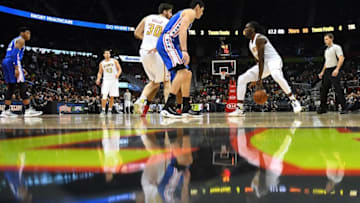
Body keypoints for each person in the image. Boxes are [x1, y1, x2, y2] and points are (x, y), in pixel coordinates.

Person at [229, 22, 302, 117]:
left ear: (253, 29)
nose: (245, 30)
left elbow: (262, 59)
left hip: (274, 60)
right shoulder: (250, 44)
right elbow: (258, 61)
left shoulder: (260, 39)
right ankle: (239, 108)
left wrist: (259, 79)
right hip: (263, 65)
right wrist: (255, 78)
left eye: (247, 28)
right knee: (242, 78)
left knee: (276, 75)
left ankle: (294, 101)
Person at [157, 0, 205, 118]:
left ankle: (186, 107)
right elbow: (182, 30)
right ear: (198, 7)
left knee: (187, 74)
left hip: (171, 43)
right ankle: (168, 106)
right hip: (168, 41)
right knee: (182, 71)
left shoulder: (183, 14)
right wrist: (184, 51)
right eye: (202, 11)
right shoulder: (190, 13)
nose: (202, 14)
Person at [134, 3, 173, 117]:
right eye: (170, 12)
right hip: (157, 52)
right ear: (165, 11)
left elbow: (136, 33)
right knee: (167, 81)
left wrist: (148, 40)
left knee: (154, 83)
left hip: (144, 52)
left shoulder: (147, 18)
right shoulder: (167, 22)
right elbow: (167, 39)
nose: (171, 15)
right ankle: (168, 109)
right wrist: (157, 45)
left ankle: (141, 100)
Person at [1, 27, 42, 118]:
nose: (29, 35)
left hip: (6, 61)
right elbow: (15, 54)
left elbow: (12, 54)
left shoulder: (14, 40)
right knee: (22, 85)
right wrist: (16, 67)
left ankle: (6, 111)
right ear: (23, 33)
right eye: (28, 33)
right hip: (13, 62)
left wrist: (20, 68)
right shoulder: (21, 40)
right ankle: (28, 110)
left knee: (11, 87)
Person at [317, 33, 348, 114]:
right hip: (327, 70)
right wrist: (322, 72)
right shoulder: (326, 50)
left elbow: (341, 58)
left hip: (334, 69)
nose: (325, 41)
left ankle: (344, 107)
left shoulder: (337, 47)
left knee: (338, 89)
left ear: (331, 39)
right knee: (323, 90)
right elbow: (326, 62)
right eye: (325, 39)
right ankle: (323, 108)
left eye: (327, 39)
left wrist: (337, 69)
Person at [96, 50, 122, 116]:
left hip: (114, 80)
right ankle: (103, 110)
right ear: (104, 55)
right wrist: (98, 79)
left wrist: (118, 74)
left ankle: (110, 110)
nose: (107, 54)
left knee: (112, 96)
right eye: (106, 53)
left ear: (110, 54)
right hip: (106, 80)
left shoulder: (114, 61)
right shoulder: (102, 63)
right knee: (104, 95)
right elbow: (100, 72)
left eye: (108, 53)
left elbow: (120, 69)